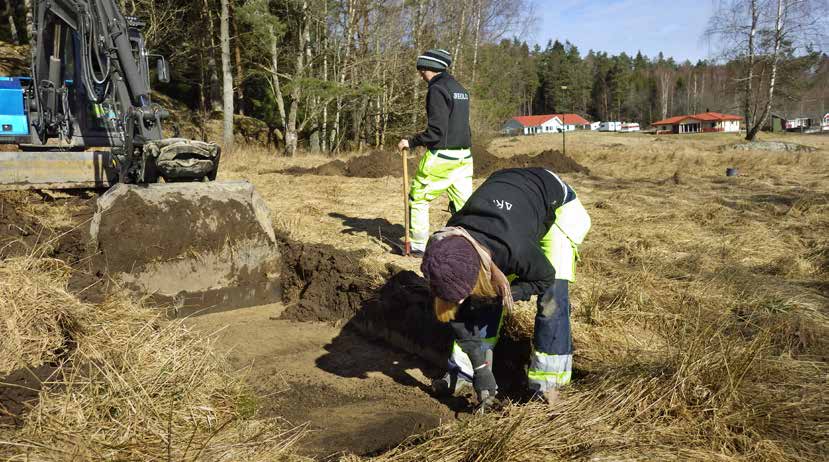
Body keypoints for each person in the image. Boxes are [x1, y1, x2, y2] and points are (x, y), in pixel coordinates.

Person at [420, 167, 591, 408]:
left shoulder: (518, 249)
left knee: (552, 300)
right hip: (508, 204)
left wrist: (507, 293)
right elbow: (453, 311)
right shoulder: (445, 244)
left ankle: (549, 387)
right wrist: (481, 369)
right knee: (478, 296)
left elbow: (544, 278)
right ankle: (464, 372)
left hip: (555, 208)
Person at [397, 49, 472, 257]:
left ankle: (419, 246)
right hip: (465, 157)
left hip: (442, 158)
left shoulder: (437, 89)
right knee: (464, 205)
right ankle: (470, 245)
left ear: (430, 68)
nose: (421, 74)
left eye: (422, 69)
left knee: (418, 198)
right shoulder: (460, 89)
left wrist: (410, 142)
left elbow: (436, 131)